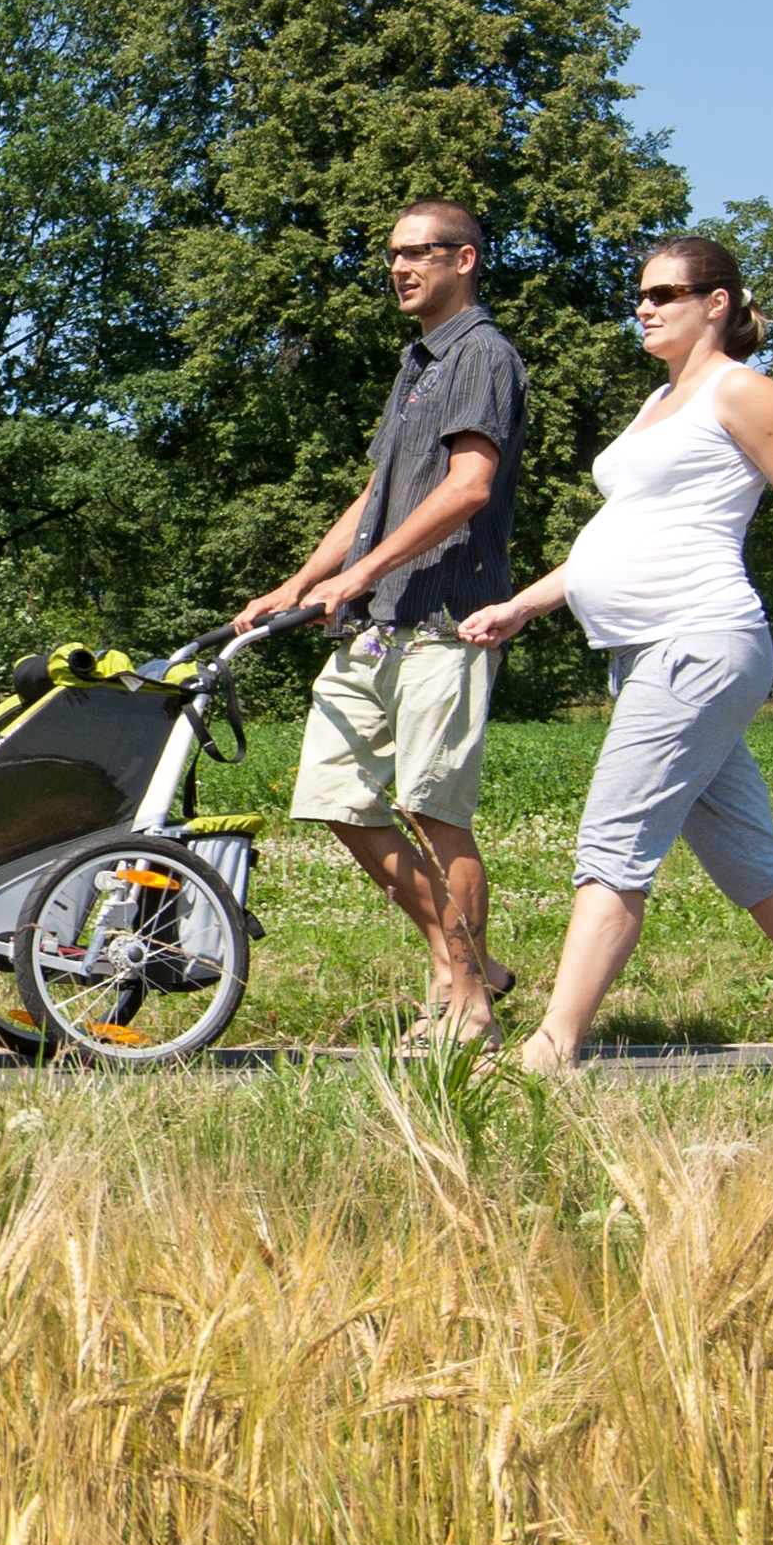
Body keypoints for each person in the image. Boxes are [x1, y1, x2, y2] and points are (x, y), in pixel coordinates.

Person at [456, 232, 773, 1080]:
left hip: (701, 642)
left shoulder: (742, 392)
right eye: (640, 295)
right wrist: (523, 604)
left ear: (716, 303)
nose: (643, 308)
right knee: (746, 855)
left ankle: (553, 1044)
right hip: (647, 654)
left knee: (613, 840)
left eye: (664, 294)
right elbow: (623, 536)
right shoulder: (659, 403)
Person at [237, 198, 528, 1049]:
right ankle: (462, 958)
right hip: (378, 619)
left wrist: (363, 572)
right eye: (393, 255)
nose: (401, 268)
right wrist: (296, 585)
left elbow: (470, 486)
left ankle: (468, 1006)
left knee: (435, 807)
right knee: (335, 794)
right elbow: (377, 497)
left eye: (420, 253)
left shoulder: (482, 356)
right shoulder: (418, 364)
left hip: (448, 617)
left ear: (465, 259)